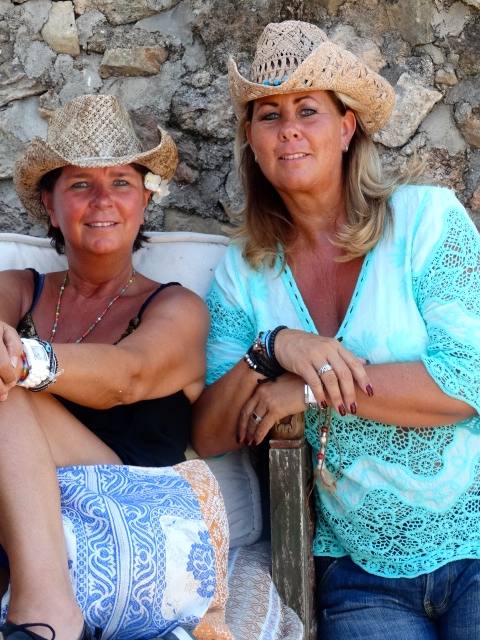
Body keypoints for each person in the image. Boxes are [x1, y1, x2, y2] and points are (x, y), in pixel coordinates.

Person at [192, 20, 480, 640]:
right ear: (251, 141)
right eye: (269, 115)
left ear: (347, 128)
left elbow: (467, 383)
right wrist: (273, 347)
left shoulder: (426, 220)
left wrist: (305, 389)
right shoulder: (245, 271)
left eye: (308, 110)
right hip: (358, 572)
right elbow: (211, 431)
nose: (288, 128)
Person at [0, 94, 210, 640]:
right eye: (79, 184)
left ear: (145, 199)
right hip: (22, 529)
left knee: (5, 390)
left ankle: (49, 617)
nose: (102, 200)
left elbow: (128, 376)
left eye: (121, 182)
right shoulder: (20, 290)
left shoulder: (177, 308)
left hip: (132, 527)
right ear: (50, 207)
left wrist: (23, 361)